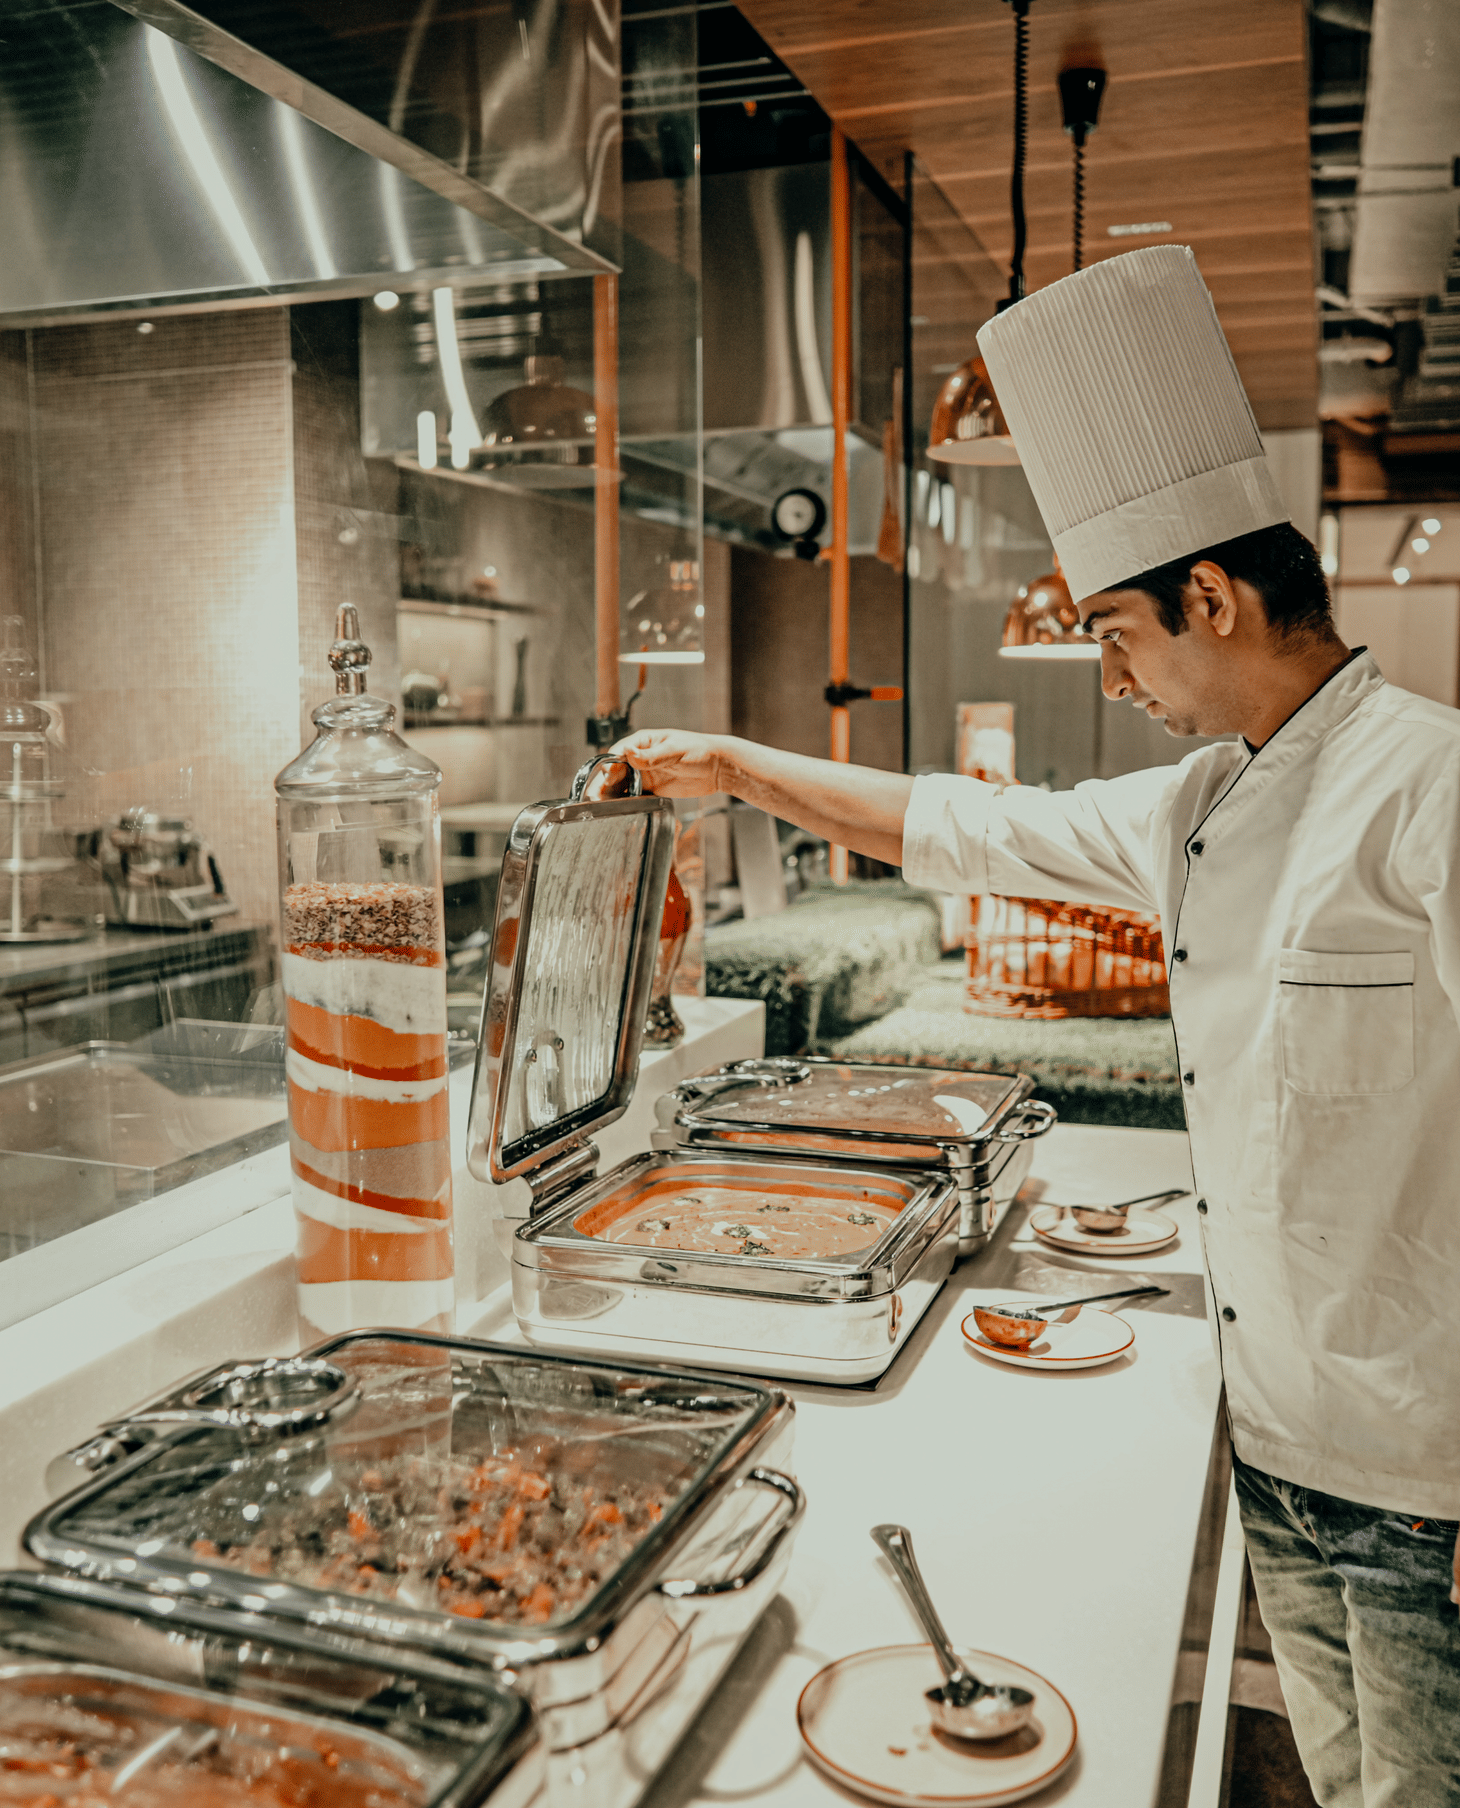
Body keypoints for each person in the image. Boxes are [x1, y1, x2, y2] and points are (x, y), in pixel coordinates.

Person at [606, 247, 1460, 1806]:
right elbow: (971, 827)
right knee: (1345, 1788)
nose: (1111, 675)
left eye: (1120, 635)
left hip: (1431, 1476)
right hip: (1280, 1434)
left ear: (1213, 595)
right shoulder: (1205, 796)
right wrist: (739, 762)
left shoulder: (1432, 787)